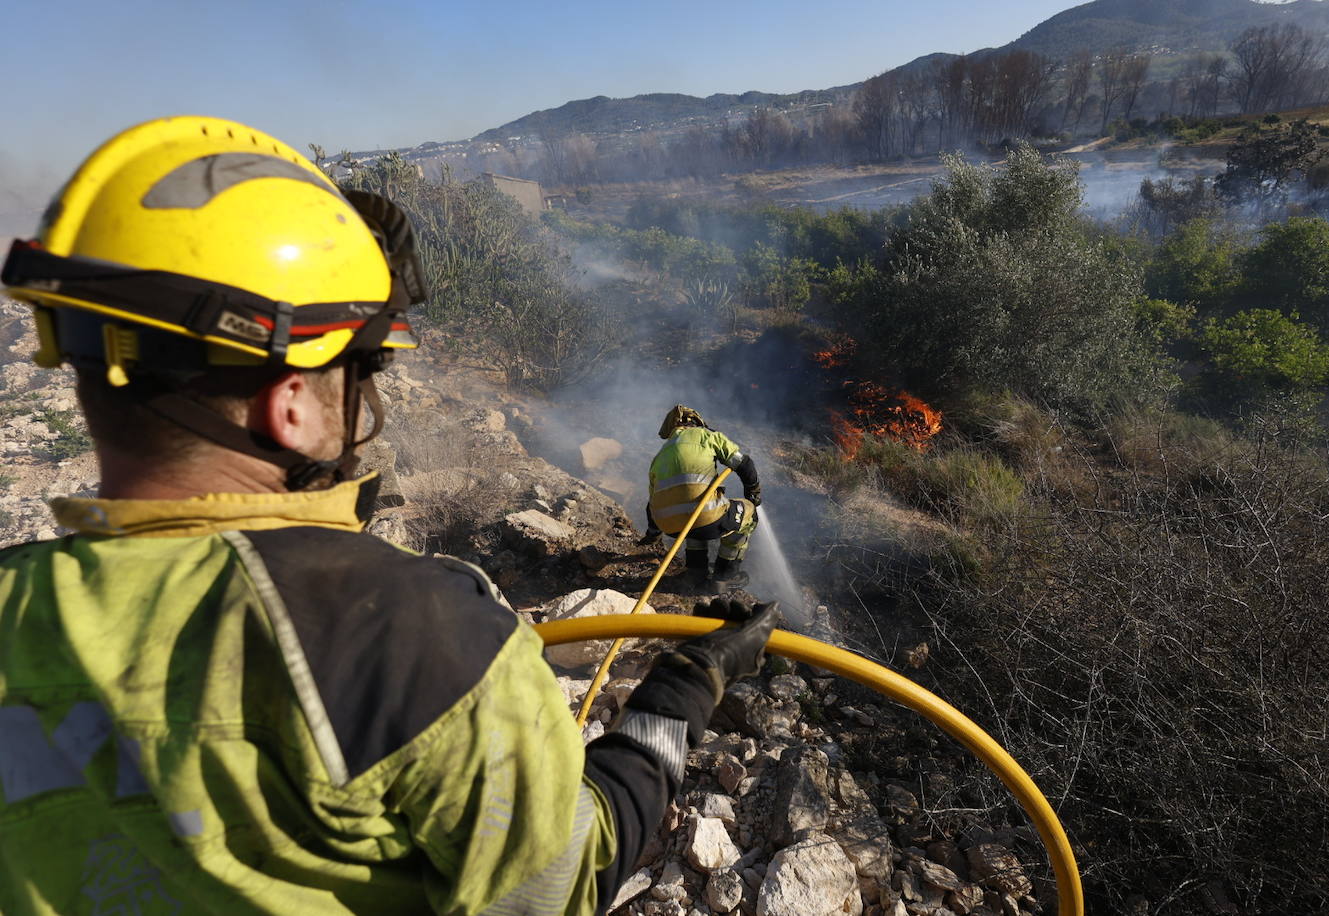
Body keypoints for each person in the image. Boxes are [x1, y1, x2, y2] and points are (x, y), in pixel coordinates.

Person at [0, 116, 780, 916]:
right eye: (359, 371)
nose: (365, 401)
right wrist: (689, 685)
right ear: (292, 404)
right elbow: (572, 875)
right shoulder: (411, 638)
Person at [640, 405, 762, 592]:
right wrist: (753, 492)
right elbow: (744, 463)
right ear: (697, 422)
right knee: (748, 514)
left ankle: (695, 573)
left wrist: (652, 535)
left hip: (670, 527)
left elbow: (652, 504)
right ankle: (725, 576)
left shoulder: (659, 456)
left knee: (692, 511)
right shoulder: (707, 436)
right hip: (705, 520)